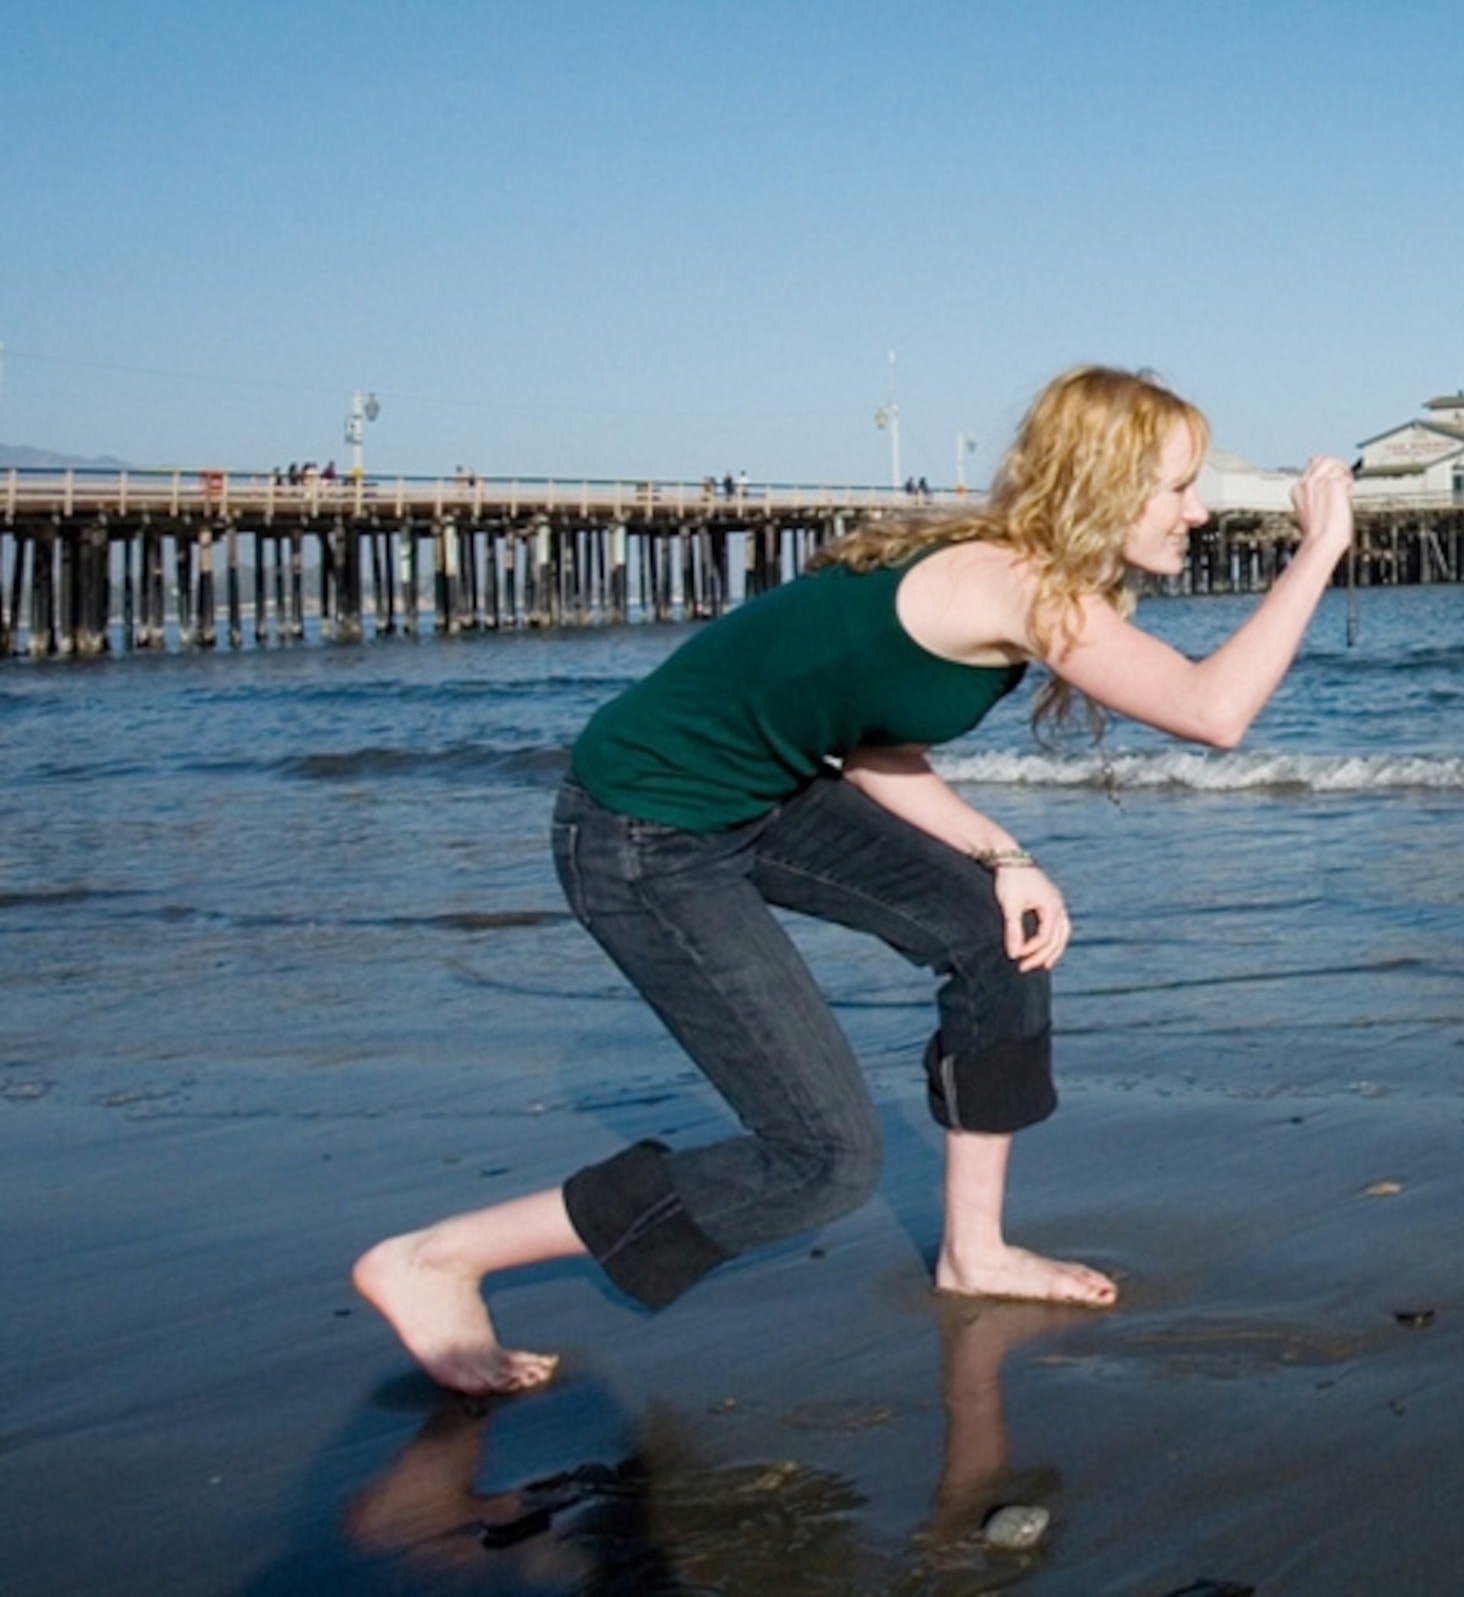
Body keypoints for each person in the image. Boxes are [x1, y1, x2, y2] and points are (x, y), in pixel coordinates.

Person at [353, 365, 1355, 1393]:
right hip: (641, 826)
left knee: (987, 928)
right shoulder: (1011, 582)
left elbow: (868, 740)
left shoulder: (1009, 574)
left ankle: (977, 1252)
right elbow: (1213, 711)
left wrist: (1003, 856)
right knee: (821, 1164)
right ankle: (437, 1258)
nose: (1197, 510)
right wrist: (1319, 548)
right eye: (1179, 485)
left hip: (755, 793)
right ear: (1102, 484)